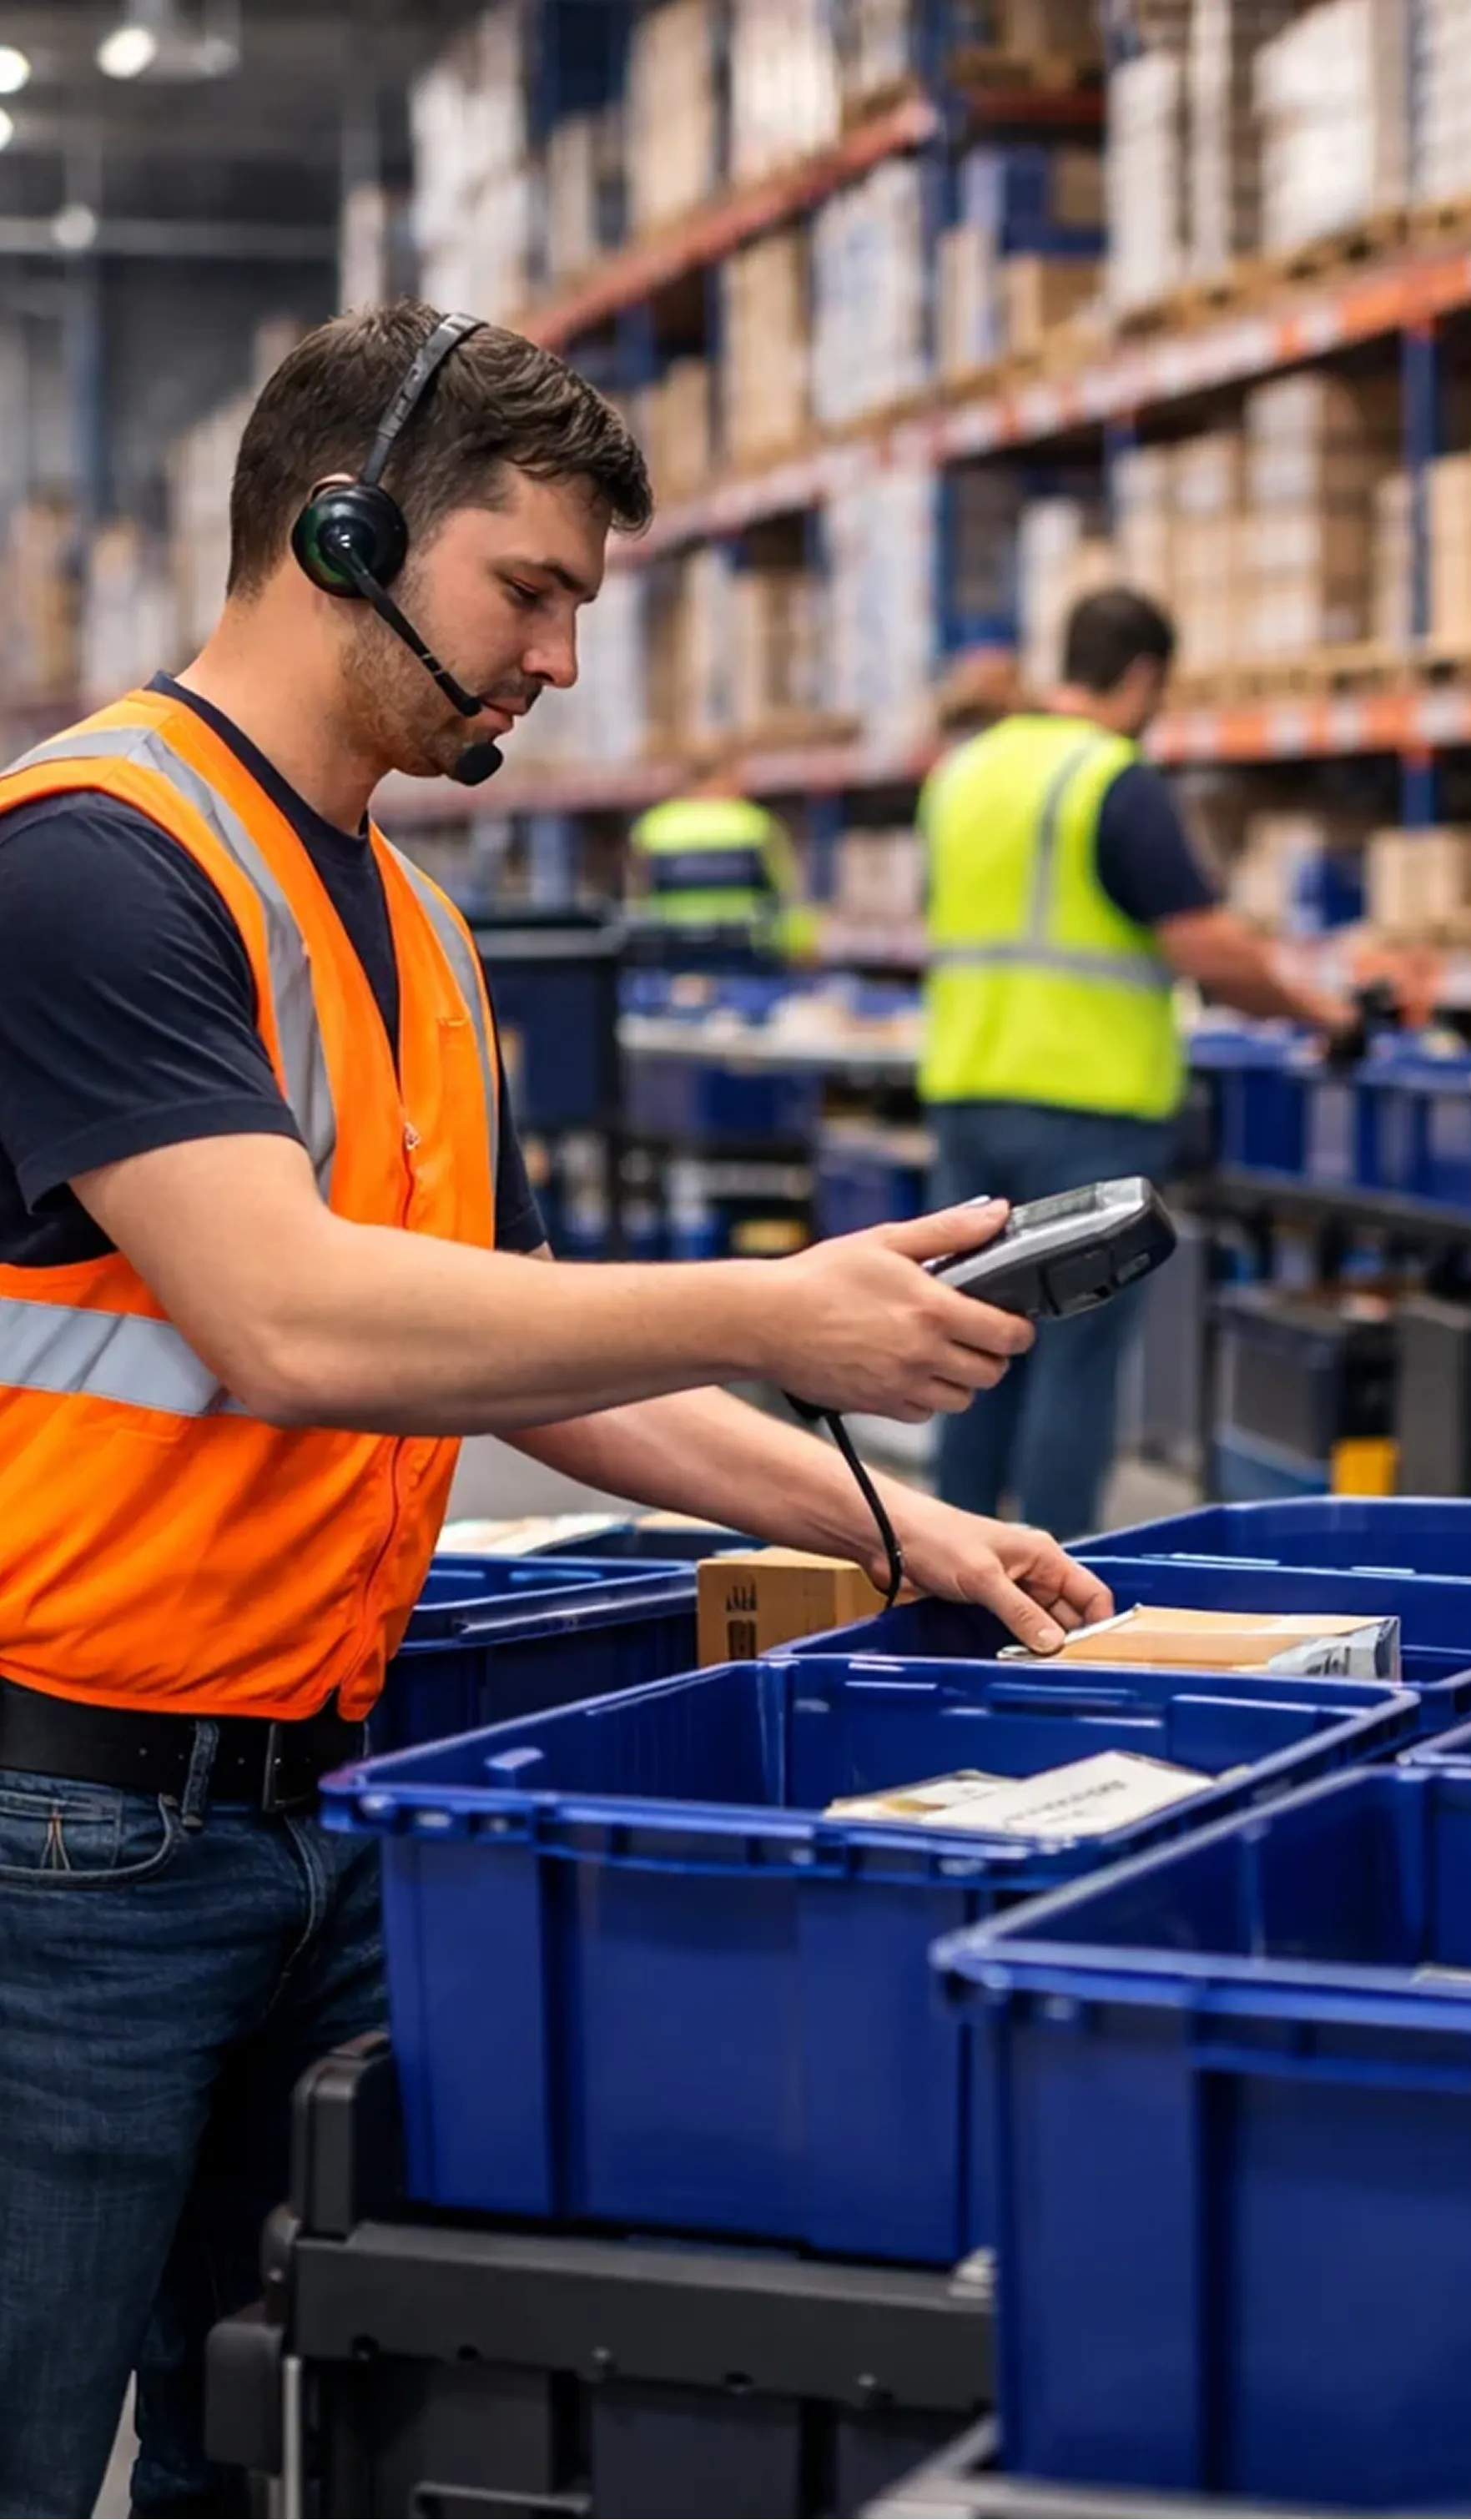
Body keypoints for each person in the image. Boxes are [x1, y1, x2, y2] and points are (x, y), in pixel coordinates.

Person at [0, 300, 1112, 2520]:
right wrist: (781, 1305)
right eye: (529, 590)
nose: (561, 661)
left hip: (324, 1809)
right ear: (337, 528)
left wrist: (903, 1526)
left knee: (262, 2442)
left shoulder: (418, 922)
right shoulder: (87, 860)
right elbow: (290, 1319)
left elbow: (529, 1351)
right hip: (69, 1845)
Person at [918, 585, 1354, 1540]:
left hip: (965, 1093)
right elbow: (1203, 947)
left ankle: (951, 1568)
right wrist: (1318, 1011)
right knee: (1076, 1358)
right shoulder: (1110, 778)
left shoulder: (965, 772)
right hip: (1086, 1108)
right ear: (1147, 675)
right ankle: (1054, 1581)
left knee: (969, 1344)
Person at [628, 736, 813, 959]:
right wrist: (801, 952)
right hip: (746, 956)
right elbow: (789, 899)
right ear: (725, 775)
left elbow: (638, 901)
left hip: (675, 956)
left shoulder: (655, 827)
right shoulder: (755, 825)